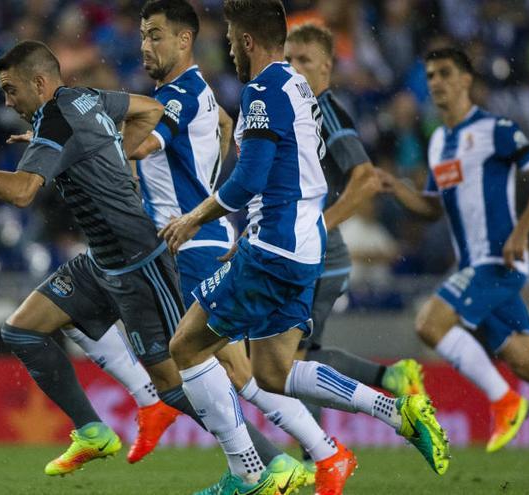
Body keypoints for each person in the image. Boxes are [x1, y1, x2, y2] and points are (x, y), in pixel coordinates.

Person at [0, 40, 289, 478]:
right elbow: (148, 111)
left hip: (139, 263)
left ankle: (272, 462)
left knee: (175, 387)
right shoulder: (85, 98)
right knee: (22, 331)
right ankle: (92, 430)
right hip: (101, 261)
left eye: (11, 90)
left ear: (40, 83)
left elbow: (23, 192)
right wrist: (104, 148)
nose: (7, 101)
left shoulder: (57, 118)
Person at [160, 2, 449, 493]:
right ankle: (399, 412)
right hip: (300, 248)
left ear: (247, 41)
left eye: (231, 36)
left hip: (274, 249)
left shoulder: (262, 89)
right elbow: (288, 174)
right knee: (274, 372)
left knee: (184, 346)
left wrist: (193, 218)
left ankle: (246, 472)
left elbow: (248, 180)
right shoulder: (298, 86)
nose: (228, 45)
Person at [379, 47, 529, 452]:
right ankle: (514, 397)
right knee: (528, 363)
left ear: (466, 80)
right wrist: (398, 188)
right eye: (430, 75)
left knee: (429, 323)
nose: (436, 82)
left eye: (445, 73)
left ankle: (504, 402)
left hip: (498, 260)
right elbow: (433, 208)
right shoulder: (438, 144)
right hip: (473, 267)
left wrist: (521, 232)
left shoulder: (495, 128)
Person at [283, 21, 428, 461]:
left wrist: (318, 226)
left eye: (303, 60)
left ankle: (317, 456)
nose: (293, 68)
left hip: (322, 254)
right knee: (304, 358)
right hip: (309, 252)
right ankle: (390, 380)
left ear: (326, 67)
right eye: (287, 59)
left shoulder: (325, 110)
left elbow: (365, 178)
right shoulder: (297, 111)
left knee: (291, 360)